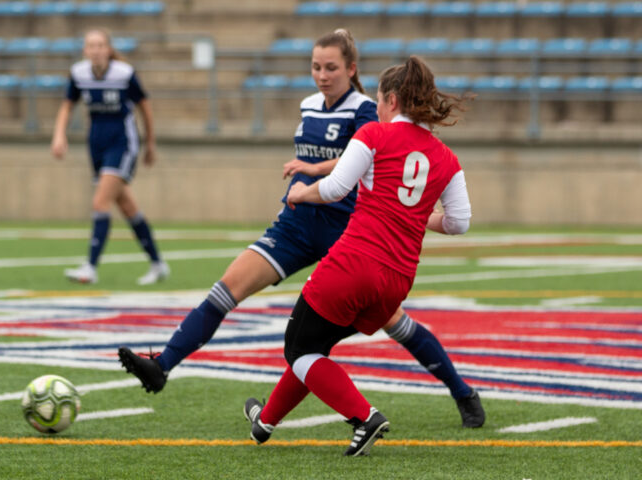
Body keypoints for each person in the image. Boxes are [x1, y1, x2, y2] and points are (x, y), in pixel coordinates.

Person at [118, 30, 483, 428]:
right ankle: (163, 365)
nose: (322, 75)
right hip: (299, 222)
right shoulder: (309, 105)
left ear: (352, 70)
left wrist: (312, 172)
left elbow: (357, 162)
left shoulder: (366, 110)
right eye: (316, 67)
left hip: (347, 229)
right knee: (228, 287)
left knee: (394, 323)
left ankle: (461, 391)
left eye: (331, 68)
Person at [244, 56, 476, 456]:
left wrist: (302, 191)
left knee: (298, 349)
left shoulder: (374, 134)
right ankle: (265, 423)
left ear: (392, 100)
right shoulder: (446, 158)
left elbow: (336, 188)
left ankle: (365, 417)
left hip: (355, 263)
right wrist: (414, 216)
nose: (377, 108)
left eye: (379, 101)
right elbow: (460, 223)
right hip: (397, 279)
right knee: (314, 347)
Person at [51, 28, 169, 286]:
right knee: (127, 206)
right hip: (96, 143)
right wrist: (59, 135)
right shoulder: (79, 73)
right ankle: (158, 264)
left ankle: (90, 267)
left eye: (100, 45)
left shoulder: (123, 74)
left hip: (122, 142)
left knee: (100, 202)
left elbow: (145, 106)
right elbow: (67, 105)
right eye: (90, 46)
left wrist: (150, 143)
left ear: (108, 49)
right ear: (85, 50)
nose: (95, 50)